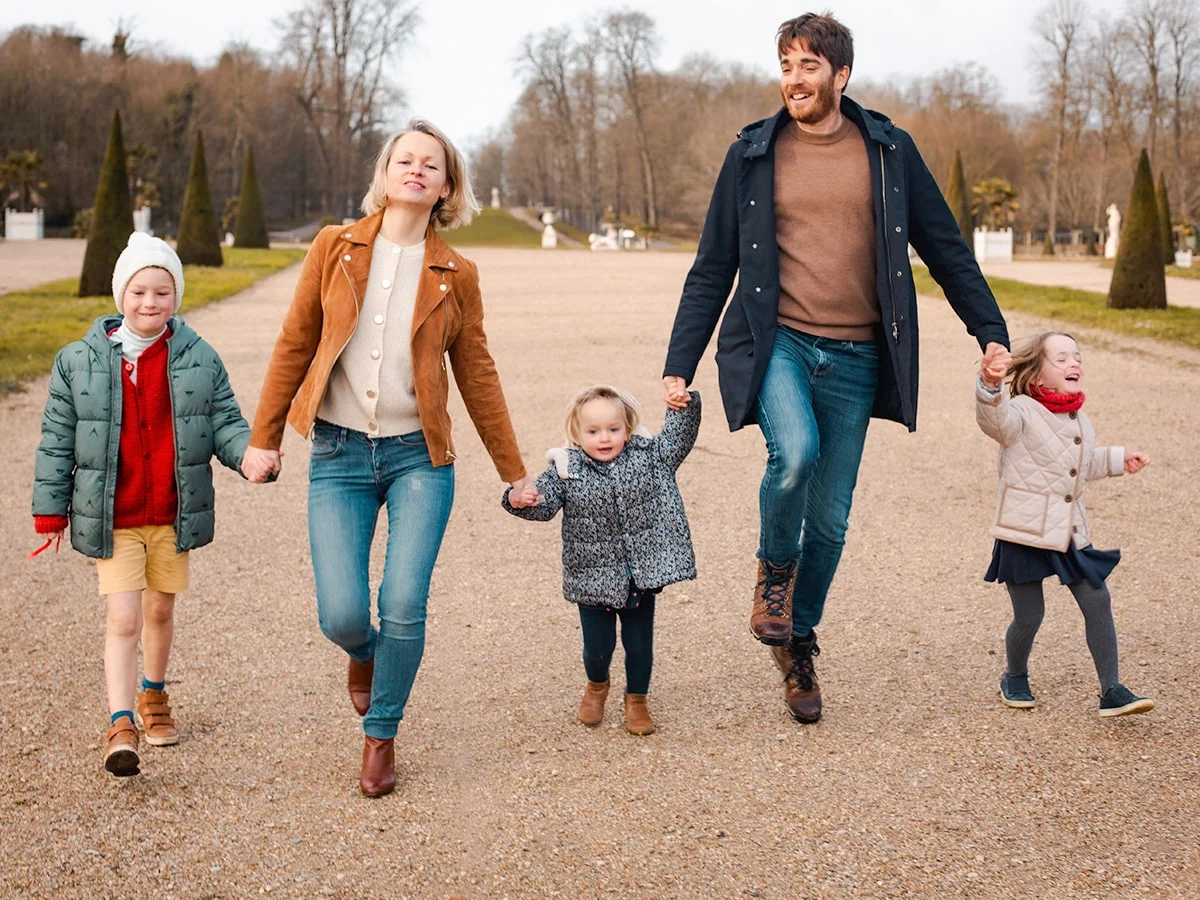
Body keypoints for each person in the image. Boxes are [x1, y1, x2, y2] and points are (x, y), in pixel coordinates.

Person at [661, 12, 1010, 724]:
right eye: (786, 64)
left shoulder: (889, 151)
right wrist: (679, 363)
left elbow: (945, 247)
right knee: (794, 457)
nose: (795, 77)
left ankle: (799, 641)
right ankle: (772, 581)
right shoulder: (752, 154)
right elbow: (712, 267)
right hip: (781, 340)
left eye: (809, 65)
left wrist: (990, 330)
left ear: (840, 75)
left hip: (857, 353)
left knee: (832, 521)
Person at [242, 119, 532, 797]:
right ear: (385, 174)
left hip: (419, 460)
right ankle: (365, 656)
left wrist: (513, 471)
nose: (416, 170)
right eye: (405, 159)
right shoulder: (333, 248)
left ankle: (381, 733)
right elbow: (294, 342)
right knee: (342, 614)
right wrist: (266, 437)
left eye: (431, 164)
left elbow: (478, 373)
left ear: (446, 187)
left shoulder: (458, 273)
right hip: (339, 456)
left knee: (403, 600)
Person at [31, 232, 253, 776]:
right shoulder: (76, 362)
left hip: (173, 511)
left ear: (175, 296)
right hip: (114, 515)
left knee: (159, 608)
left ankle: (154, 694)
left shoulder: (199, 358)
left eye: (162, 291)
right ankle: (121, 719)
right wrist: (50, 509)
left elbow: (224, 420)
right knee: (124, 617)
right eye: (138, 292)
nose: (150, 302)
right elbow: (57, 438)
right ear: (119, 295)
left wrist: (249, 457)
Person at [503, 386, 701, 736]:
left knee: (639, 645)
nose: (604, 438)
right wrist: (522, 500)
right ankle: (597, 686)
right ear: (577, 435)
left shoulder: (649, 457)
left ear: (627, 427)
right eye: (593, 431)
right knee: (598, 647)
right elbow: (545, 506)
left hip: (640, 576)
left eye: (613, 429)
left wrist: (682, 408)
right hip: (592, 578)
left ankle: (637, 698)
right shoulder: (566, 469)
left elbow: (677, 438)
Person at [977, 332, 1154, 717]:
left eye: (1077, 357)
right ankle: (1015, 675)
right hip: (1025, 529)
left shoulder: (1078, 418)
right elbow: (996, 422)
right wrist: (990, 386)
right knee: (1029, 614)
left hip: (1069, 530)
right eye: (1061, 359)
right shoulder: (1020, 410)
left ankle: (1111, 689)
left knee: (1097, 599)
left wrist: (1117, 460)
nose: (1074, 363)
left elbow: (1079, 465)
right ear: (1037, 375)